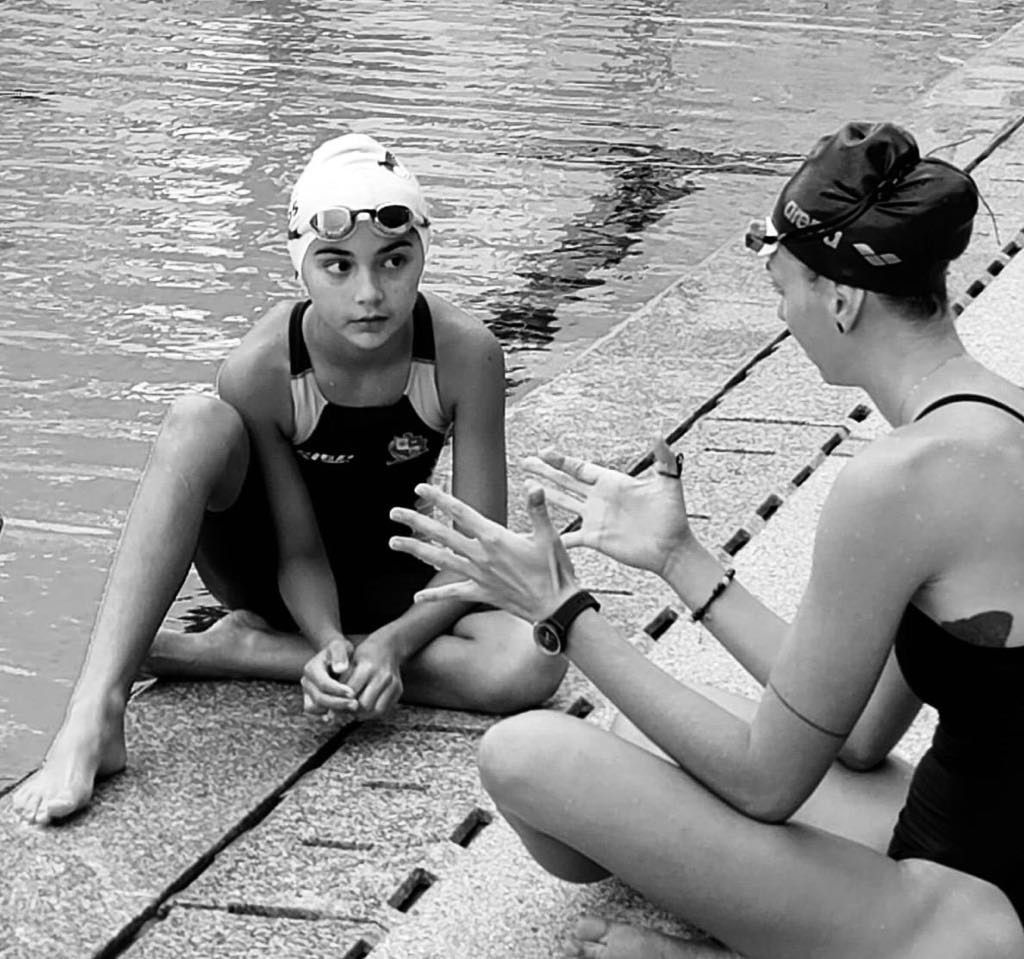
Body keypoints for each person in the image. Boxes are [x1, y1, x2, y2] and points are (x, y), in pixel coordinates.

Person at [388, 122, 1024, 958]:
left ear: (843, 299)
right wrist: (681, 559)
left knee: (526, 755)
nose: (779, 309)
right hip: (967, 832)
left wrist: (563, 610)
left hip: (976, 918)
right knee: (639, 735)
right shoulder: (996, 418)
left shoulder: (898, 480)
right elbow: (860, 732)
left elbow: (767, 782)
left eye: (780, 281)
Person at [13, 133, 566, 826]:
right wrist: (330, 636)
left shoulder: (465, 355)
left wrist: (391, 644)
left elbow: (477, 552)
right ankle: (95, 712)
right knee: (196, 421)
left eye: (394, 261)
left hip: (397, 581)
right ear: (301, 268)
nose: (370, 293)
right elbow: (298, 550)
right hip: (277, 574)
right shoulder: (264, 368)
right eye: (337, 266)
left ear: (422, 252)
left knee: (533, 662)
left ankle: (245, 652)